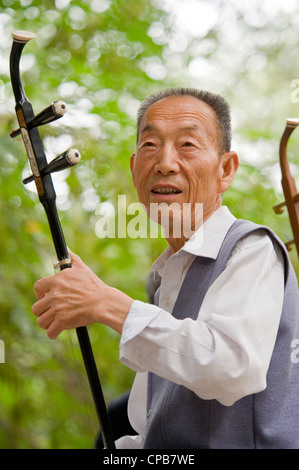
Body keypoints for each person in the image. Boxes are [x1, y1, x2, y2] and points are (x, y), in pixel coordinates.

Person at [32, 88, 299, 449]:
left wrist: (107, 304)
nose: (165, 163)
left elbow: (232, 366)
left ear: (225, 170)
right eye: (150, 146)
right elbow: (154, 429)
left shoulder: (251, 250)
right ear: (134, 169)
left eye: (187, 144)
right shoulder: (166, 279)